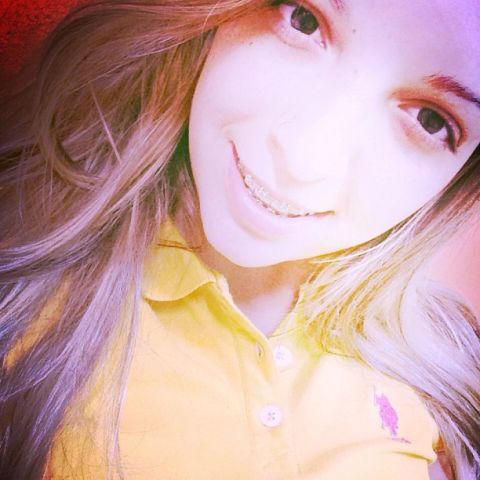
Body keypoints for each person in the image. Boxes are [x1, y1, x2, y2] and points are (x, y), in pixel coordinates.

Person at [0, 0, 479, 479]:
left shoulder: (446, 361)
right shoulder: (21, 302)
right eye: (304, 21)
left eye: (430, 121)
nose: (305, 160)